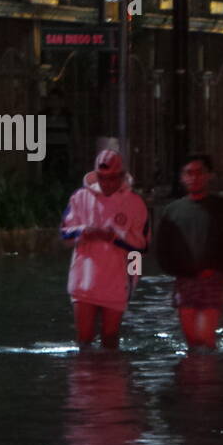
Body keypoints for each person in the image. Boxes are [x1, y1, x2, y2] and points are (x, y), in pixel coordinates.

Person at [60, 149, 150, 349]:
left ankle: (112, 378)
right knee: (84, 341)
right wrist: (84, 231)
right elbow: (65, 234)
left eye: (111, 178)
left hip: (117, 285)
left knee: (110, 342)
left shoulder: (135, 204)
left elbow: (141, 248)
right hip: (84, 282)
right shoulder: (79, 197)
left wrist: (133, 280)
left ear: (121, 175)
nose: (107, 183)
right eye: (102, 178)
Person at [155, 154, 223, 350]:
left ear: (209, 175)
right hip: (185, 280)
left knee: (205, 336)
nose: (194, 178)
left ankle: (208, 377)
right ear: (182, 177)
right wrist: (177, 271)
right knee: (192, 341)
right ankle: (196, 378)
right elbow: (163, 248)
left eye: (199, 173)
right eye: (189, 173)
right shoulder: (173, 210)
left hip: (214, 278)